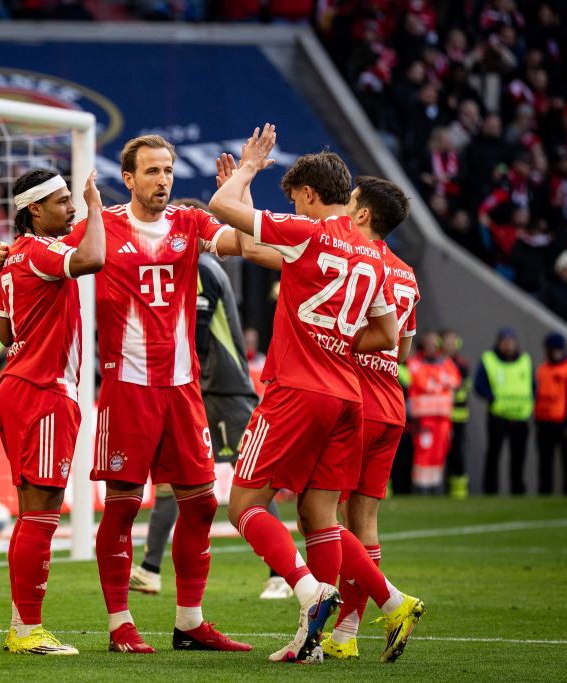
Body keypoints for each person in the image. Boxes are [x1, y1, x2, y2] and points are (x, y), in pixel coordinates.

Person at [0, 135, 251, 654]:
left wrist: (238, 190)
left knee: (200, 503)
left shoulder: (189, 221)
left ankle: (190, 622)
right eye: (151, 170)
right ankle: (112, 625)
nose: (163, 179)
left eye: (168, 170)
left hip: (181, 387)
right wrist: (21, 242)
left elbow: (248, 245)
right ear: (128, 178)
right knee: (105, 508)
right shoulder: (96, 227)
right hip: (116, 388)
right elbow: (69, 254)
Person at [209, 126, 424, 664]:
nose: (294, 207)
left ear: (308, 194)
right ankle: (342, 627)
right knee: (320, 517)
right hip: (350, 397)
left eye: (295, 199)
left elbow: (222, 210)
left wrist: (246, 170)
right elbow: (389, 336)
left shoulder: (307, 232)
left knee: (244, 505)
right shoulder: (374, 256)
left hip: (297, 390)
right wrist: (338, 340)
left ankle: (310, 590)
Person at [128, 199, 292, 602]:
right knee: (172, 478)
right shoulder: (192, 267)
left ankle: (283, 574)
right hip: (197, 388)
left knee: (249, 482)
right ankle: (150, 569)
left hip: (221, 388)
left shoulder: (201, 267)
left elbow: (198, 336)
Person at [0, 167, 106, 655]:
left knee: (30, 513)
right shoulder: (41, 251)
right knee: (41, 513)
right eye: (62, 201)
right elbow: (93, 257)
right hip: (44, 390)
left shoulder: (15, 257)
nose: (72, 207)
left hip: (19, 386)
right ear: (34, 210)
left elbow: (4, 334)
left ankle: (21, 625)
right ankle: (27, 631)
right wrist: (96, 206)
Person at [317, 176, 421, 660]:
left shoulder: (353, 259)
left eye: (351, 201)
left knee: (320, 516)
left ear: (362, 214)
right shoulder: (407, 275)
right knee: (364, 522)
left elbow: (338, 330)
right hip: (391, 404)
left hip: (354, 402)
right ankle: (345, 636)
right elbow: (402, 349)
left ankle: (385, 605)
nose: (344, 207)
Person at [475, 327, 534, 494]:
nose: (508, 345)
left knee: (519, 456)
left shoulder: (525, 360)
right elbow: (479, 385)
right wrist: (492, 398)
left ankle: (517, 490)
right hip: (498, 415)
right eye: (505, 341)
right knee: (494, 454)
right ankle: (490, 490)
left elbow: (533, 385)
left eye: (510, 341)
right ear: (499, 343)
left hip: (520, 416)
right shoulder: (489, 359)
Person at [405, 332, 461, 494]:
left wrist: (436, 382)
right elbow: (422, 382)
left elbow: (454, 381)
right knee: (423, 451)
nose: (432, 347)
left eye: (434, 344)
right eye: (428, 343)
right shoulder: (416, 363)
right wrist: (440, 383)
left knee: (439, 452)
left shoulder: (447, 363)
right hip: (423, 419)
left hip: (443, 418)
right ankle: (420, 488)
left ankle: (435, 487)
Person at [534, 332, 567, 495]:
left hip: (563, 422)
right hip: (544, 421)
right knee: (545, 462)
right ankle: (545, 493)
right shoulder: (543, 369)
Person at [442, 329, 472, 499]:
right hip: (439, 416)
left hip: (458, 416)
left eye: (453, 341)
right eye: (448, 341)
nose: (450, 344)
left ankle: (459, 491)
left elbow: (463, 390)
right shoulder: (437, 362)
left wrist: (445, 392)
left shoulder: (462, 365)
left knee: (457, 452)